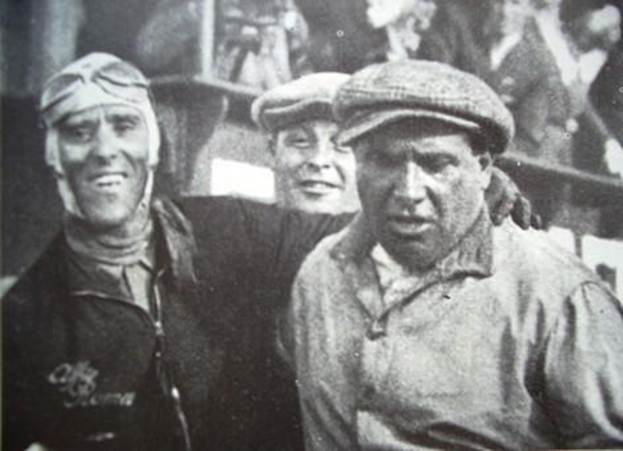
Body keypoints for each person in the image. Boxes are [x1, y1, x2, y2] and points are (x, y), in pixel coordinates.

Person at [1, 53, 532, 451]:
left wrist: (462, 187)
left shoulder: (230, 229)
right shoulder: (24, 319)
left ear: (154, 144)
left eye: (123, 125)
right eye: (77, 131)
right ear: (51, 153)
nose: (103, 151)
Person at [281, 60, 623, 449]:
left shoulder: (557, 294)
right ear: (358, 162)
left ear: (483, 169)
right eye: (384, 161)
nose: (408, 190)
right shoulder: (320, 273)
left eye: (435, 164)